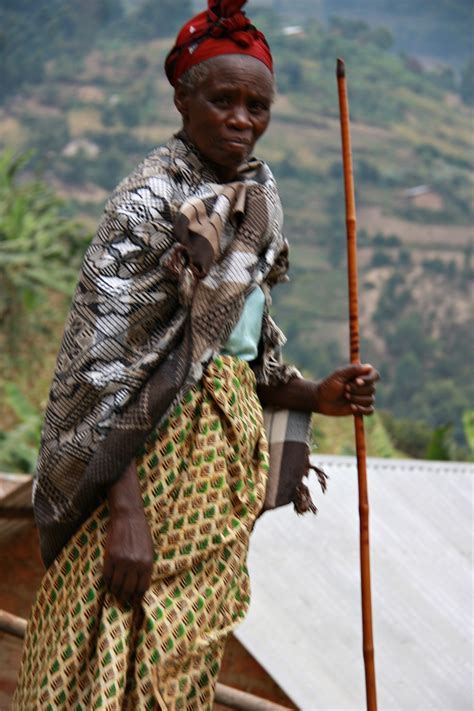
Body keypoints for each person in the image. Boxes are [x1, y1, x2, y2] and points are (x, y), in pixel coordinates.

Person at [14, 1, 379, 708]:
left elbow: (239, 349)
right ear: (183, 97)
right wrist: (125, 510)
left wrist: (317, 395)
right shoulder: (146, 202)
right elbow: (101, 365)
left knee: (177, 662)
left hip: (219, 464)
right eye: (223, 100)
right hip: (139, 460)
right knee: (98, 639)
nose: (242, 118)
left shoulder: (256, 199)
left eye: (257, 105)